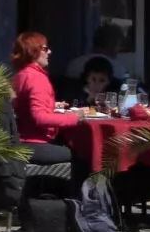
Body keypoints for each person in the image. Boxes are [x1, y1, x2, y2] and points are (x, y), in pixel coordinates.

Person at [10, 32, 91, 164]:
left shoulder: (21, 75)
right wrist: (76, 117)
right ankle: (78, 185)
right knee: (85, 154)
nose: (50, 52)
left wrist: (51, 105)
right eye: (45, 48)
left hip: (21, 140)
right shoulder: (37, 78)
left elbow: (25, 106)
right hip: (35, 143)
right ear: (33, 51)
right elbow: (40, 117)